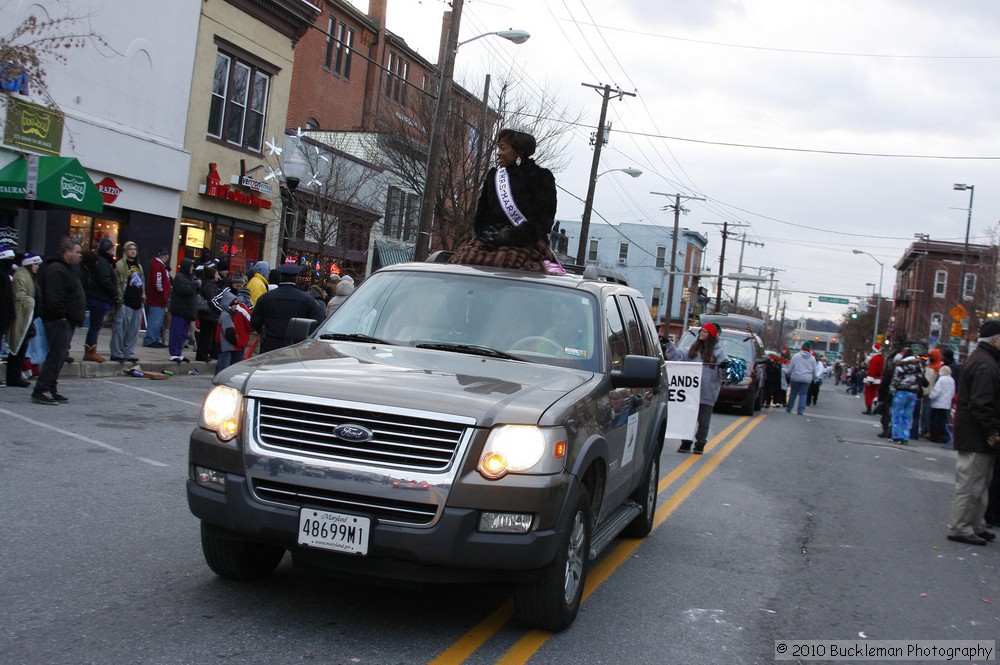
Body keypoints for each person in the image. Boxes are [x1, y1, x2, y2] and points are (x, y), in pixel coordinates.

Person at [448, 128, 559, 273]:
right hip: (491, 241)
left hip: (526, 242)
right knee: (461, 264)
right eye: (498, 148)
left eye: (503, 148)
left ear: (519, 152)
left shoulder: (541, 177)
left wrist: (507, 237)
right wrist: (487, 234)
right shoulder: (494, 176)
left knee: (506, 266)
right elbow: (481, 216)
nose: (498, 153)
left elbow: (542, 222)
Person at [946, 319, 1000, 546]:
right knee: (970, 483)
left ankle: (975, 524)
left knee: (980, 482)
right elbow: (982, 402)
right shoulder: (986, 365)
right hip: (976, 434)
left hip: (976, 432)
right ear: (996, 340)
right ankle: (961, 527)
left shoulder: (984, 360)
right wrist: (992, 431)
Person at [662, 322, 730, 454]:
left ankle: (700, 444)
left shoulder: (719, 353)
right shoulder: (692, 350)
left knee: (703, 421)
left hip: (707, 393)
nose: (701, 333)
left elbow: (727, 372)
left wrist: (725, 366)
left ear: (712, 335)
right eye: (701, 330)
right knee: (688, 418)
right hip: (690, 392)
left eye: (705, 331)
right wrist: (669, 345)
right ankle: (686, 442)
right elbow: (678, 357)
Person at [33, 238, 85, 404]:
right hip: (58, 321)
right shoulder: (56, 269)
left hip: (66, 321)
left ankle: (51, 388)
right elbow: (54, 297)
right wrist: (62, 316)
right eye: (77, 252)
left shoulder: (67, 269)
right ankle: (40, 390)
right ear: (66, 252)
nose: (79, 256)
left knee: (60, 356)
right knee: (55, 356)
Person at [250, 264, 325, 353]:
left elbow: (255, 321)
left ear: (281, 277)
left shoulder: (266, 297)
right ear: (296, 278)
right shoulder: (306, 299)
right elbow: (319, 320)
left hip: (270, 343)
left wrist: (265, 331)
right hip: (296, 345)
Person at [5, 253, 41, 388]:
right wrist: (30, 302)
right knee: (17, 348)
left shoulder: (29, 276)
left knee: (22, 348)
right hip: (21, 317)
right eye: (35, 264)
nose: (37, 267)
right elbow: (19, 296)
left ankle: (16, 376)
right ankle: (13, 377)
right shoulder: (21, 275)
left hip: (28, 317)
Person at [82, 237, 117, 363]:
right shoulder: (103, 261)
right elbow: (104, 280)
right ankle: (90, 351)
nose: (113, 250)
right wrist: (114, 293)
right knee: (95, 325)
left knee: (96, 325)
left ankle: (91, 350)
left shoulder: (104, 261)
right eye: (112, 248)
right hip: (99, 299)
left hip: (100, 298)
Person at [109, 241, 144, 363]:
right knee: (119, 329)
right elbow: (118, 283)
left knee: (133, 331)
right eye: (130, 249)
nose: (133, 251)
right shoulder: (120, 265)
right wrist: (120, 300)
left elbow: (142, 283)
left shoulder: (139, 266)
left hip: (137, 302)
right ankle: (117, 353)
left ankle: (128, 352)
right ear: (125, 251)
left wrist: (143, 297)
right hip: (125, 302)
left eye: (135, 249)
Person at [888, 347, 924, 445]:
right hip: (913, 393)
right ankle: (905, 436)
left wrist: (892, 390)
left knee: (897, 414)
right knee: (907, 416)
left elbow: (895, 380)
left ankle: (896, 436)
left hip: (901, 392)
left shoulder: (901, 365)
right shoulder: (919, 365)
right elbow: (921, 378)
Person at [213, 289, 252, 374]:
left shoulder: (231, 314)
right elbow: (229, 332)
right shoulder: (226, 315)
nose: (236, 306)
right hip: (228, 346)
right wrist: (237, 342)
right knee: (225, 369)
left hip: (232, 345)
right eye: (234, 304)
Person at [167, 258, 197, 363]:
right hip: (180, 311)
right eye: (191, 266)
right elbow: (184, 290)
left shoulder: (189, 278)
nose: (192, 268)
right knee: (176, 333)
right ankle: (174, 353)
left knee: (183, 334)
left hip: (187, 312)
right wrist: (194, 285)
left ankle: (179, 353)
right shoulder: (179, 278)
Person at [143, 247, 171, 348]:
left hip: (159, 299)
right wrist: (163, 294)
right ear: (165, 255)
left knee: (158, 321)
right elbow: (158, 282)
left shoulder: (159, 266)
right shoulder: (158, 266)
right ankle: (150, 339)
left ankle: (154, 339)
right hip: (157, 299)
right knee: (155, 320)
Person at [196, 265, 221, 362]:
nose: (217, 276)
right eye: (216, 274)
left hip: (209, 315)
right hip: (207, 315)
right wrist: (218, 309)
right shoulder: (209, 285)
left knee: (208, 336)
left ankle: (208, 353)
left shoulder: (210, 285)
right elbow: (212, 300)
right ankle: (202, 355)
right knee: (205, 336)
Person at [786, 342, 817, 416]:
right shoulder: (812, 358)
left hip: (796, 377)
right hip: (807, 378)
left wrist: (788, 374)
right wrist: (814, 378)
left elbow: (790, 368)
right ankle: (800, 411)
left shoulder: (796, 356)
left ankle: (789, 408)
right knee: (803, 394)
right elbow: (814, 370)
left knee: (793, 393)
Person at [928, 365, 955, 444]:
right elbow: (953, 393)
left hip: (937, 403)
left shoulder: (941, 379)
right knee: (943, 421)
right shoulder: (952, 380)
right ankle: (943, 437)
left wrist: (931, 396)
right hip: (946, 404)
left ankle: (934, 436)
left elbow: (937, 391)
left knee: (935, 421)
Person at [862, 345, 885, 414]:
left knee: (868, 394)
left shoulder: (875, 358)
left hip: (872, 378)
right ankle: (877, 402)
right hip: (878, 378)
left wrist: (869, 380)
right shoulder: (881, 358)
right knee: (874, 393)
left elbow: (872, 369)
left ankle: (869, 408)